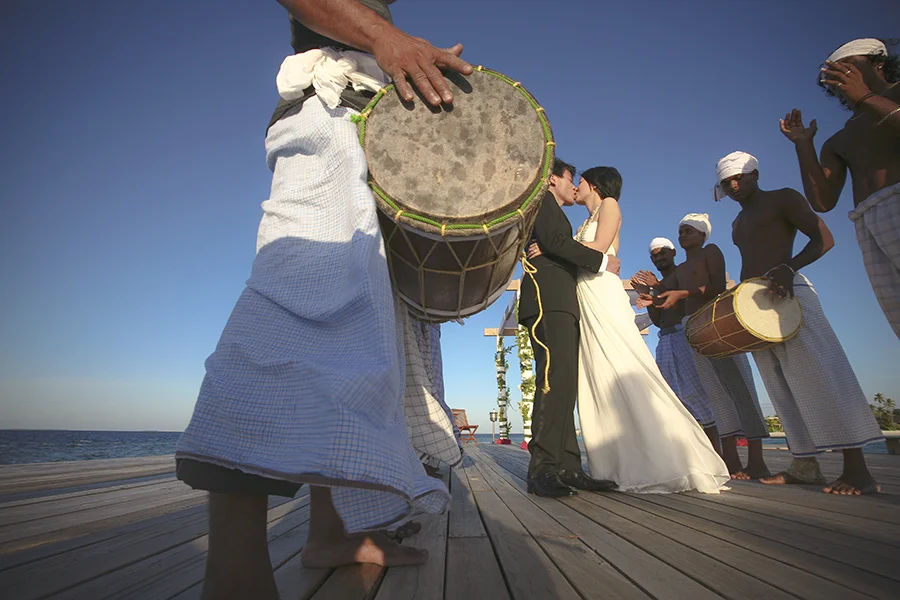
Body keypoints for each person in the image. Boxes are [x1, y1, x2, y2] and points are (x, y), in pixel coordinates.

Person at [174, 1, 474, 597]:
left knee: (363, 332)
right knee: (287, 308)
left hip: (368, 116)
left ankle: (331, 532)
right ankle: (233, 573)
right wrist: (386, 38)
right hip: (329, 110)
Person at [532, 167, 729, 493]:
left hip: (602, 295)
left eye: (580, 181)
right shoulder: (581, 220)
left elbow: (597, 250)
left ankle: (668, 455)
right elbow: (578, 250)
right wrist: (555, 248)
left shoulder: (610, 205)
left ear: (594, 184)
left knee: (624, 363)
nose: (576, 186)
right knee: (598, 375)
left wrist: (553, 249)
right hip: (585, 297)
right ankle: (615, 463)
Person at [715, 150, 884, 494]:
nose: (733, 184)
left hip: (790, 293)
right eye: (726, 181)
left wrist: (789, 268)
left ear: (755, 175)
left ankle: (858, 470)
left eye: (738, 177)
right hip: (754, 304)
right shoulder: (736, 224)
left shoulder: (783, 198)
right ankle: (805, 465)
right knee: (781, 386)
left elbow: (825, 239)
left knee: (823, 374)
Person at [779, 38, 900, 337]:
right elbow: (823, 201)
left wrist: (867, 97)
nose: (836, 79)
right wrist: (804, 146)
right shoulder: (840, 138)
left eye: (846, 68)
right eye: (830, 76)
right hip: (867, 222)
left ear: (878, 63)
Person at [518, 159, 620, 497]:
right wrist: (604, 262)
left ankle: (568, 467)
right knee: (552, 380)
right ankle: (542, 469)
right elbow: (557, 243)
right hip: (548, 300)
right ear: (552, 179)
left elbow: (555, 244)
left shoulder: (553, 209)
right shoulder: (542, 202)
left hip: (561, 302)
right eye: (569, 178)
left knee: (565, 383)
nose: (573, 186)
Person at [653, 214, 772, 481]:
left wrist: (684, 294)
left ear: (702, 235)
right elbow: (660, 294)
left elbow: (717, 286)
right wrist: (649, 288)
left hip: (718, 326)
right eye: (680, 231)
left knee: (741, 390)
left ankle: (757, 462)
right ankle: (729, 461)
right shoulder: (681, 269)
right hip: (695, 332)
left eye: (688, 231)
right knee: (717, 397)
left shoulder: (711, 252)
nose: (683, 235)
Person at [631, 238, 720, 452]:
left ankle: (717, 452)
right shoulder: (659, 284)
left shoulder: (684, 273)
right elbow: (658, 318)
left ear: (673, 253)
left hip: (684, 336)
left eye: (662, 253)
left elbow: (686, 304)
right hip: (665, 339)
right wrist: (648, 294)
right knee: (672, 396)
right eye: (655, 255)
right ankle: (691, 452)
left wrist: (656, 286)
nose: (659, 258)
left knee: (697, 393)